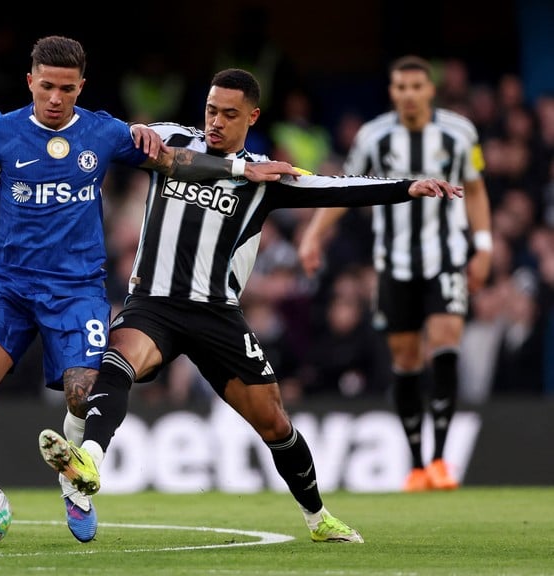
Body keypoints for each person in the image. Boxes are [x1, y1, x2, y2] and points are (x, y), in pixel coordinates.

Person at [0, 36, 291, 544]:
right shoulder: (2, 131)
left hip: (77, 290)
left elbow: (172, 162)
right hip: (9, 286)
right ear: (30, 81)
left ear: (82, 86)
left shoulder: (102, 132)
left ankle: (75, 490)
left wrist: (238, 167)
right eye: (47, 86)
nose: (56, 98)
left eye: (67, 88)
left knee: (83, 395)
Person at [36, 68, 462, 544]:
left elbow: (334, 186)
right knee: (117, 361)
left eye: (230, 114)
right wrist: (130, 130)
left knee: (275, 423)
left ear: (253, 116)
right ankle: (89, 460)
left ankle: (318, 518)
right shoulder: (171, 139)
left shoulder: (263, 175)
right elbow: (105, 132)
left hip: (217, 315)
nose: (216, 121)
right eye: (211, 110)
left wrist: (407, 187)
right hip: (153, 304)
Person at [297, 55, 492, 492]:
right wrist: (313, 236)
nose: (408, 95)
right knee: (405, 360)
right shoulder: (373, 136)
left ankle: (442, 460)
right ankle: (418, 462)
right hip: (394, 266)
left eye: (415, 87)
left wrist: (483, 247)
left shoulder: (460, 133)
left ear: (429, 91)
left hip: (446, 258)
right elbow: (346, 189)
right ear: (392, 92)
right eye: (400, 87)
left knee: (444, 344)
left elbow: (476, 190)